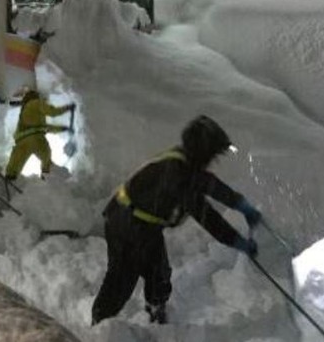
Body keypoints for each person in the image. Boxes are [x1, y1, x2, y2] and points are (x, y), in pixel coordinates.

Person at [91, 115, 261, 325]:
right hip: (126, 223)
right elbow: (206, 216)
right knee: (122, 279)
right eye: (212, 155)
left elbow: (208, 183)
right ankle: (99, 327)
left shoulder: (184, 163)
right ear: (203, 151)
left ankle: (156, 316)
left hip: (142, 223)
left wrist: (240, 204)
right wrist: (237, 242)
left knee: (159, 274)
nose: (212, 161)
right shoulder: (177, 172)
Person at [4, 87, 74, 181]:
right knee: (46, 158)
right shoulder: (36, 103)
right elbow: (52, 112)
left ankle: (10, 177)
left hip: (22, 141)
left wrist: (63, 129)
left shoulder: (24, 112)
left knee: (16, 161)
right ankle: (47, 177)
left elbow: (45, 127)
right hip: (37, 139)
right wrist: (67, 108)